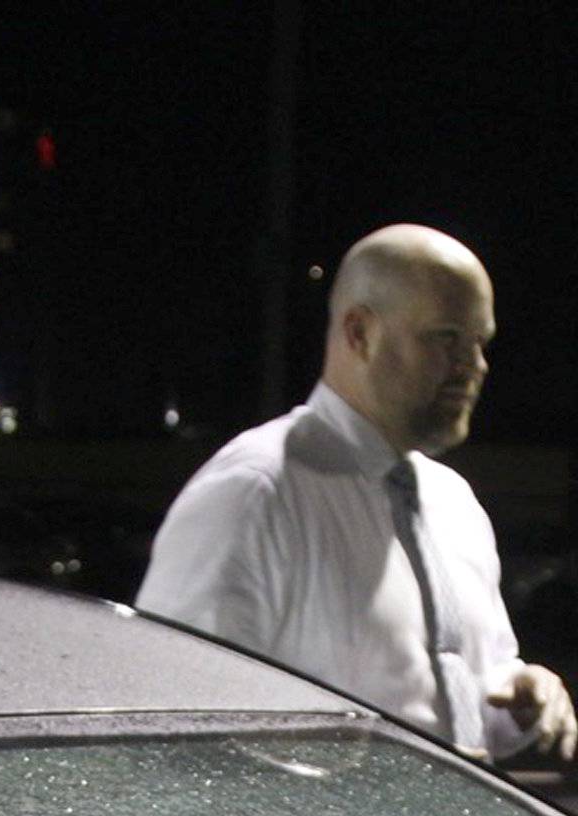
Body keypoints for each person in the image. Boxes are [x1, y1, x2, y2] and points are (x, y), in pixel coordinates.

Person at [138, 224, 576, 765]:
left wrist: (521, 700)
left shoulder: (453, 502)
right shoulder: (255, 494)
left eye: (480, 342)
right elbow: (176, 732)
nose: (475, 366)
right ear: (359, 333)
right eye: (446, 338)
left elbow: (460, 690)